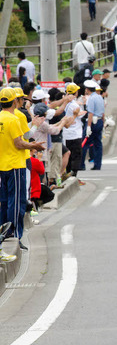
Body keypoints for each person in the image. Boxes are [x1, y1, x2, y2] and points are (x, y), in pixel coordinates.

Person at [0, 87, 45, 255]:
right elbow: (20, 142)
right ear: (14, 101)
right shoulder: (13, 118)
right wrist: (34, 145)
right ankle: (14, 234)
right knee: (16, 201)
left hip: (2, 165)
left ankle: (3, 232)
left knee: (4, 200)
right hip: (15, 164)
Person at [62, 83, 85, 183]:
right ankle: (74, 177)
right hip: (75, 133)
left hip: (65, 134)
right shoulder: (75, 105)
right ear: (76, 92)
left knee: (68, 156)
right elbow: (79, 115)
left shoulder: (65, 103)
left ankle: (68, 175)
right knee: (76, 156)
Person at [81, 81, 105, 171]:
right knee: (98, 144)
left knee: (84, 143)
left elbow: (90, 113)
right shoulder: (100, 97)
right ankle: (97, 165)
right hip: (99, 121)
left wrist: (88, 126)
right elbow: (103, 112)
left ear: (87, 90)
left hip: (92, 122)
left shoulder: (91, 99)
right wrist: (103, 122)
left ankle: (81, 164)